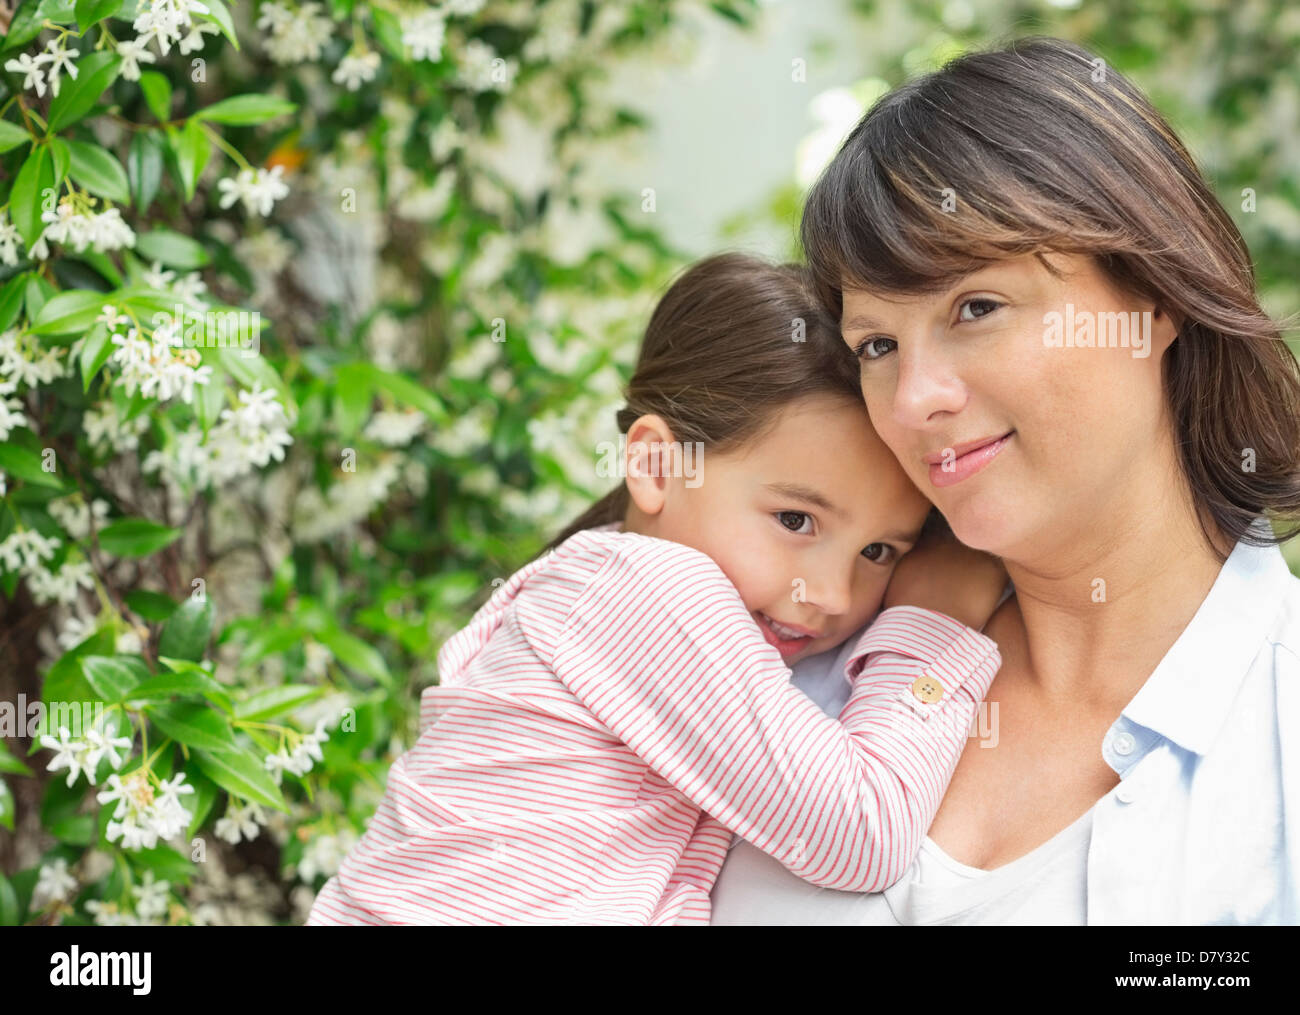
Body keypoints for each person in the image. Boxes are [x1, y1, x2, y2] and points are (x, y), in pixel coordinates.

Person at [709, 36, 1300, 925]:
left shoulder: (1277, 724)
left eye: (976, 308)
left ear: (1154, 297)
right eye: (877, 344)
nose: (914, 400)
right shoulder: (774, 653)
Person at [306, 252, 1008, 925]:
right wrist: (932, 618)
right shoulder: (644, 589)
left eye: (879, 551)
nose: (829, 592)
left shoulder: (604, 583)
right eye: (795, 519)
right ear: (654, 463)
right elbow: (861, 829)